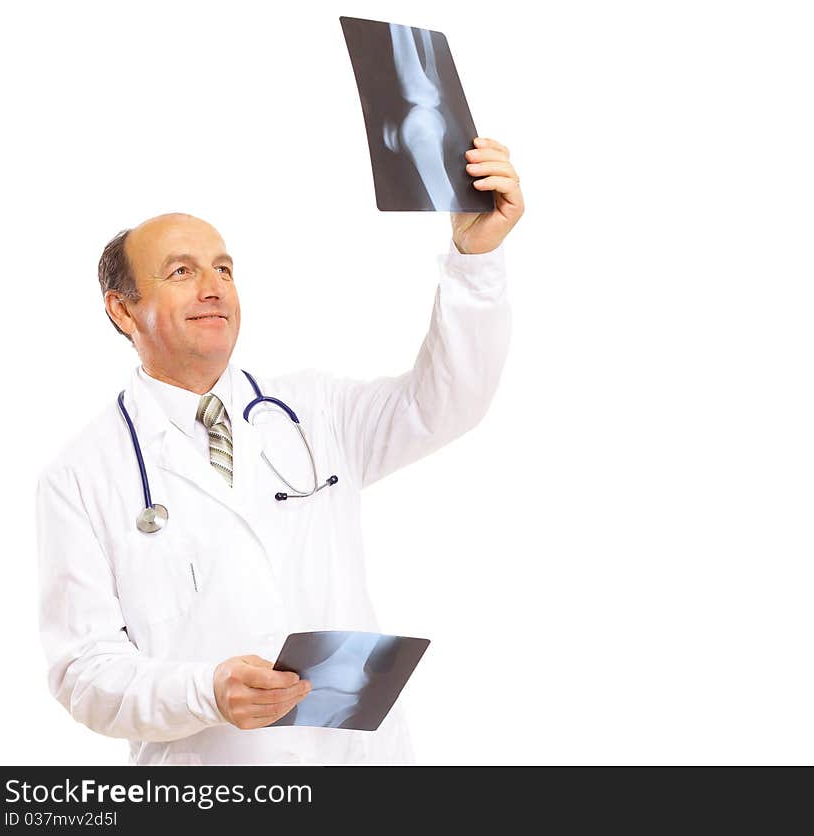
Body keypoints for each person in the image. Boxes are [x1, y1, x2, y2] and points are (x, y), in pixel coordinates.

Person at [36, 136, 523, 765]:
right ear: (123, 310)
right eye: (182, 271)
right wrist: (205, 692)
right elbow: (83, 673)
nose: (213, 287)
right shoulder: (80, 476)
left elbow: (448, 403)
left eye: (224, 268)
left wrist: (474, 259)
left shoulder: (314, 413)